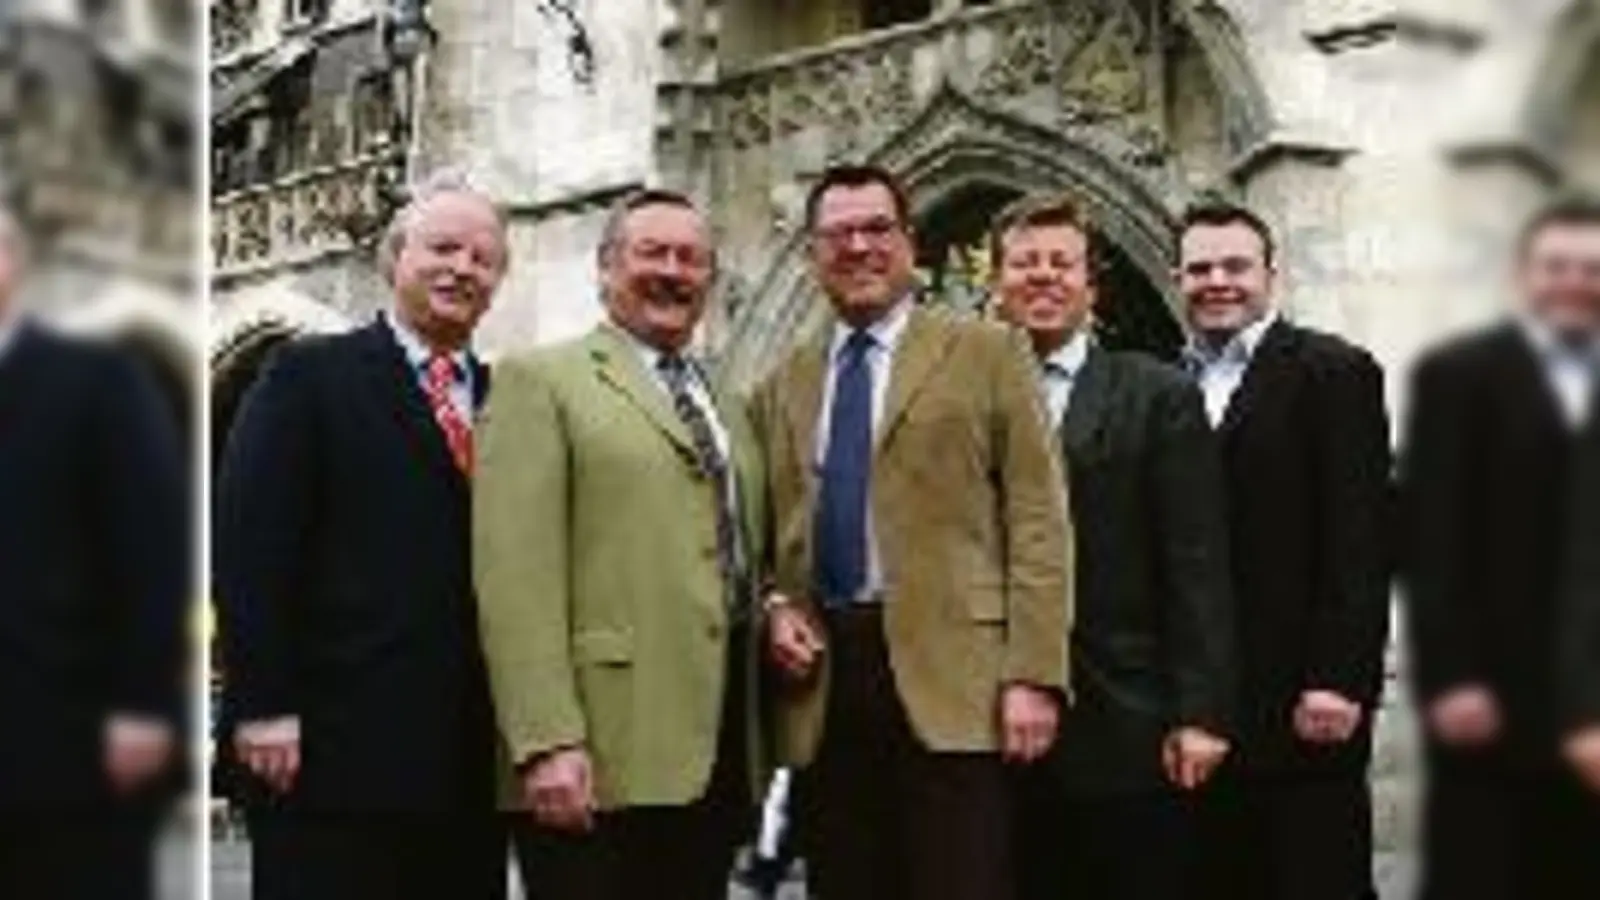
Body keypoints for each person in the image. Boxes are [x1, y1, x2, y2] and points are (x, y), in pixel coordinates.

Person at [751, 164, 1072, 900]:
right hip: (828, 684)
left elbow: (1038, 521)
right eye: (837, 234)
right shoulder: (784, 382)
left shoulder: (989, 352)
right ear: (811, 254)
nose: (858, 247)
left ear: (909, 244)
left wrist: (1034, 675)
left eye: (876, 229)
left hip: (959, 684)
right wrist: (772, 606)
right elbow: (763, 535)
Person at [214, 172, 509, 899]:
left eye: (482, 258)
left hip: (466, 762)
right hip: (330, 755)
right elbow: (252, 545)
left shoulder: (508, 399)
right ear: (394, 259)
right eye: (442, 248)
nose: (461, 268)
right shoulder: (309, 375)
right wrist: (262, 704)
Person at [474, 189, 765, 899]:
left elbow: (729, 550)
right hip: (596, 752)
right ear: (605, 270)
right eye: (652, 253)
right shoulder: (540, 380)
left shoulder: (724, 401)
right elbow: (513, 577)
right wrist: (546, 742)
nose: (672, 271)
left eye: (690, 259)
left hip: (712, 742)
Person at [991, 193, 1234, 900]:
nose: (1043, 276)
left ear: (1090, 285)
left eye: (1060, 263)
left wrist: (1201, 713)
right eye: (1024, 262)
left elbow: (1197, 563)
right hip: (992, 723)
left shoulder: (1156, 394)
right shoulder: (964, 396)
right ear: (997, 282)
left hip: (1128, 723)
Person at [1177, 201, 1392, 900]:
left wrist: (1339, 675)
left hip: (1305, 697)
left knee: (1315, 876)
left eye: (1235, 266)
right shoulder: (1167, 383)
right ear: (1178, 278)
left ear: (1272, 275)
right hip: (1207, 702)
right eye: (1200, 268)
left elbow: (1360, 534)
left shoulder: (1334, 370)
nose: (1217, 281)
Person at [1402, 194, 1600, 900]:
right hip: (1493, 694)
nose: (1575, 281)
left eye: (1590, 268)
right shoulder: (1459, 376)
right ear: (1525, 276)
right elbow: (1431, 538)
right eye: (1558, 266)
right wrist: (1453, 675)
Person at [0, 206, 187, 897]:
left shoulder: (94, 381)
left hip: (64, 737)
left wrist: (142, 704)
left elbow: (152, 548)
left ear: (12, 265)